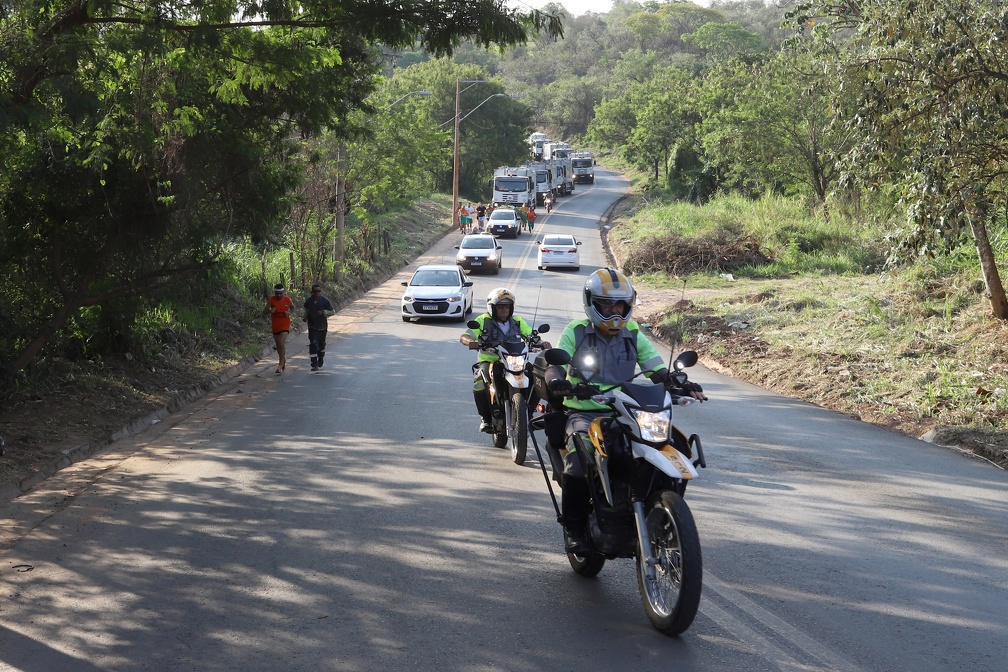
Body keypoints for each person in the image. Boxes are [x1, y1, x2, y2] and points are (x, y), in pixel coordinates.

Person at [543, 268, 706, 555]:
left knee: (676, 445)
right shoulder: (576, 331)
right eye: (607, 304)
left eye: (620, 304)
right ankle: (574, 529)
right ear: (591, 303)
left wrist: (679, 382)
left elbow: (655, 369)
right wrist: (557, 380)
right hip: (585, 413)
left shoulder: (633, 334)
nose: (614, 311)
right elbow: (556, 361)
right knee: (579, 464)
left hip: (625, 411)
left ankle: (664, 514)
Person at [460, 288, 539, 433]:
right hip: (490, 361)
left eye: (507, 306)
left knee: (535, 375)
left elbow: (530, 334)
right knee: (480, 379)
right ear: (493, 307)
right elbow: (465, 336)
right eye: (501, 306)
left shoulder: (517, 321)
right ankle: (485, 418)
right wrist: (471, 342)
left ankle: (528, 412)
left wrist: (539, 341)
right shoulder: (483, 320)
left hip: (515, 359)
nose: (504, 309)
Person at [303, 283, 336, 371]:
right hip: (312, 326)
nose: (316, 293)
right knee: (313, 343)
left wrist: (324, 313)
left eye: (318, 291)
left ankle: (320, 357)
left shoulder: (325, 301)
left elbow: (332, 311)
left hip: (322, 326)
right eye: (315, 291)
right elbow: (306, 310)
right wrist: (305, 317)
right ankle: (314, 363)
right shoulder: (309, 301)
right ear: (312, 292)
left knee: (321, 345)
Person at [267, 283, 295, 374]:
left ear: (283, 292)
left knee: (281, 343)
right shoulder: (271, 300)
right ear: (274, 293)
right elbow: (264, 311)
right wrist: (270, 311)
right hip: (275, 325)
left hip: (285, 324)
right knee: (278, 345)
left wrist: (289, 313)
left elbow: (292, 308)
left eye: (280, 293)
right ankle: (282, 359)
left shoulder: (287, 299)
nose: (279, 295)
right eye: (277, 293)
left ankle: (280, 364)